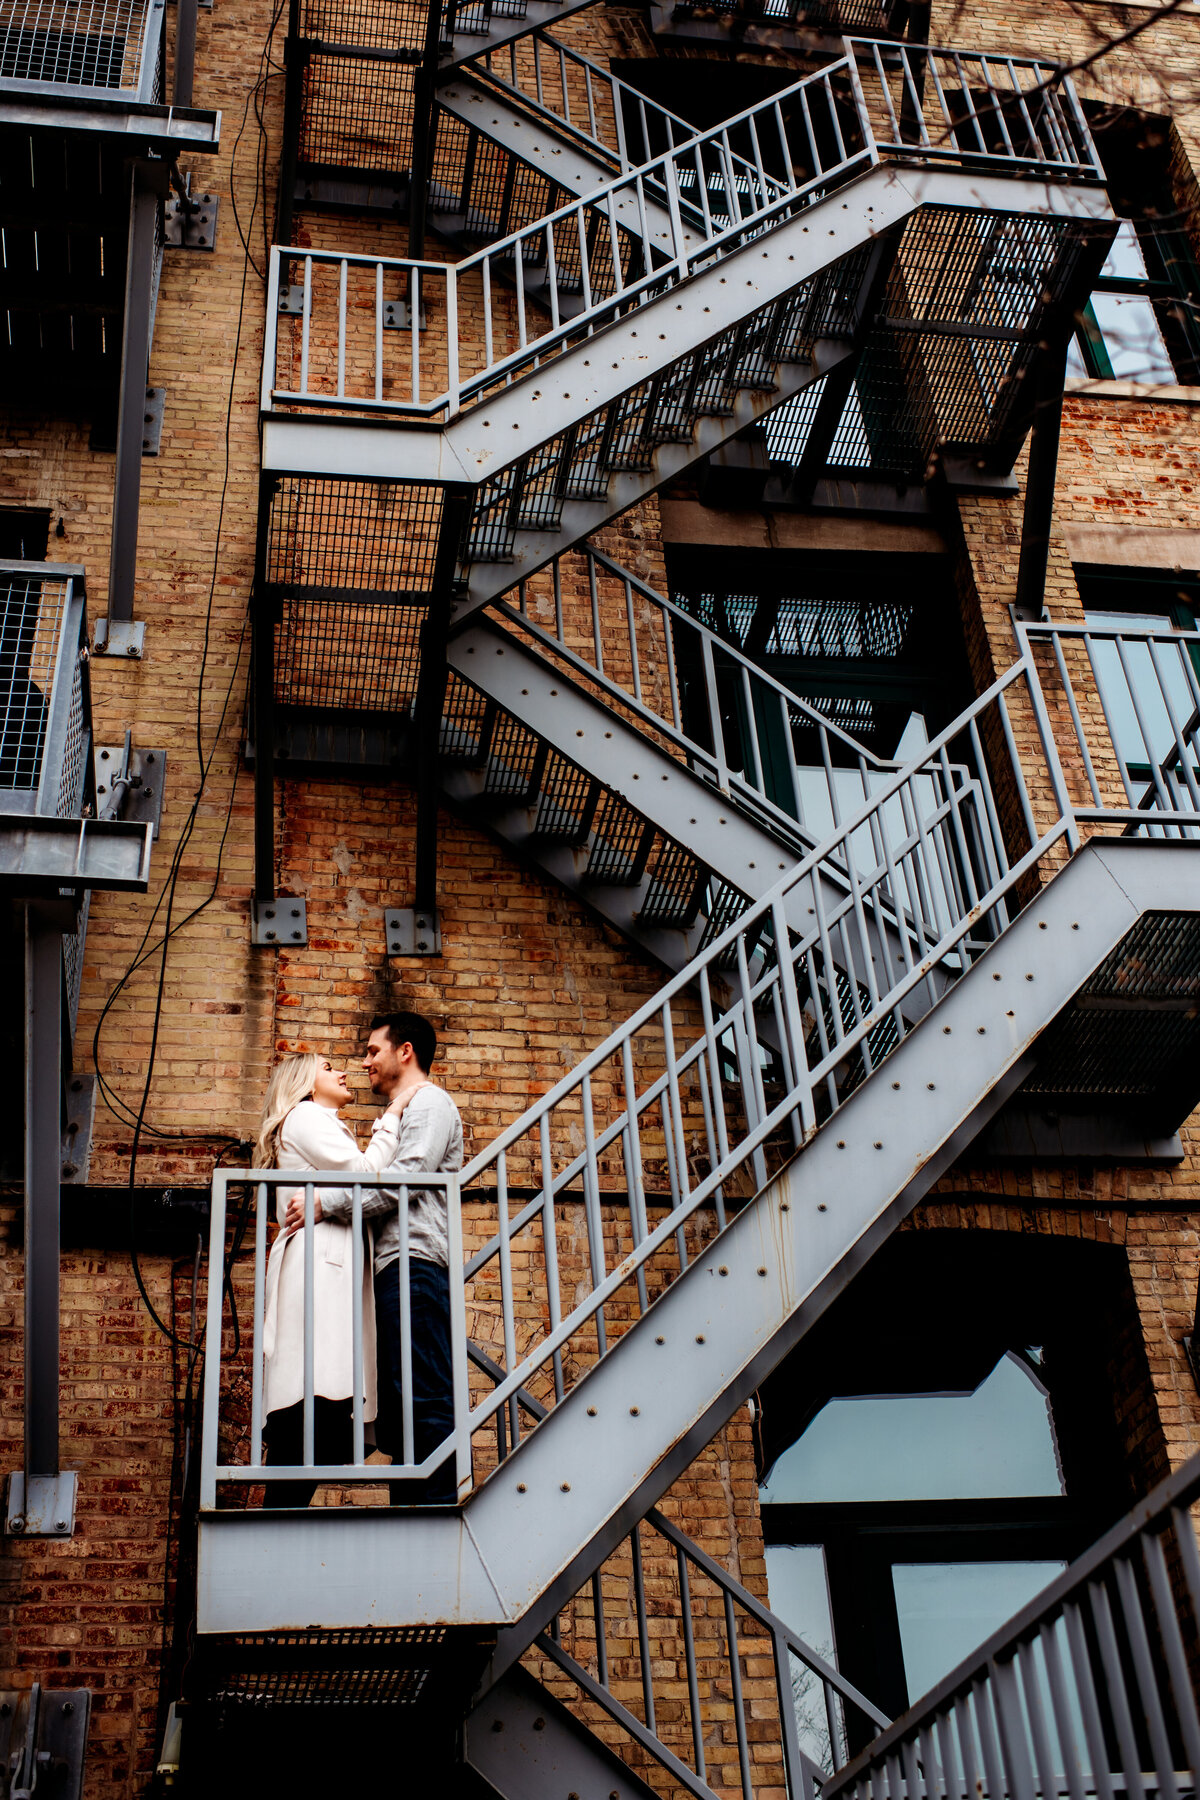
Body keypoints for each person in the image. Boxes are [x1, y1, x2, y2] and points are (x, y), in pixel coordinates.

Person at [285, 1010, 463, 1504]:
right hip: (396, 1267)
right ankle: (411, 1507)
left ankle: (430, 1512)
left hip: (416, 1263)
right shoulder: (408, 1109)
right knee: (402, 1402)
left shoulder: (428, 1101)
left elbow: (403, 1181)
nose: (364, 1062)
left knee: (422, 1395)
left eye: (372, 1051)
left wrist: (326, 1203)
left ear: (404, 1051)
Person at [257, 1051, 412, 1509]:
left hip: (326, 1267)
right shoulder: (306, 1115)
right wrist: (392, 1117)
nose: (341, 1071)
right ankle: (274, 1526)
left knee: (318, 1414)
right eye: (327, 1068)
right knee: (314, 1401)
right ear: (306, 1085)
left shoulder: (314, 1121)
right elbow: (368, 1173)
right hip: (318, 1269)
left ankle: (277, 1522)